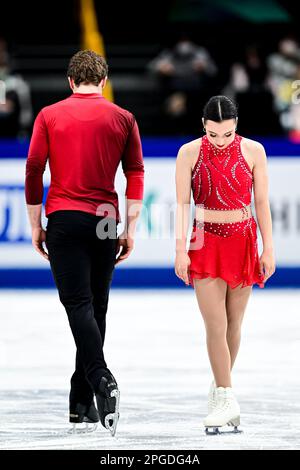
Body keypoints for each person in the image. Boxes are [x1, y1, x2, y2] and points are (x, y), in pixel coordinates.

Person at [25, 50, 144, 436]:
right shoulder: (123, 117)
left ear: (71, 81)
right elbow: (135, 172)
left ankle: (101, 379)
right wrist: (130, 228)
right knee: (98, 308)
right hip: (105, 220)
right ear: (104, 81)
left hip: (63, 217)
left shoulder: (49, 115)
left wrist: (35, 224)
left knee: (79, 305)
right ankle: (81, 403)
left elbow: (33, 168)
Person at [175, 95, 275, 434]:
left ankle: (220, 388)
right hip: (204, 242)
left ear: (236, 128)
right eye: (214, 134)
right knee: (214, 324)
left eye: (227, 135)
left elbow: (261, 202)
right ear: (204, 126)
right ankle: (227, 396)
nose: (221, 141)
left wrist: (269, 248)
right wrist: (180, 250)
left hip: (243, 240)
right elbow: (182, 204)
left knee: (234, 323)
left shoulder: (254, 151)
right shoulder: (189, 152)